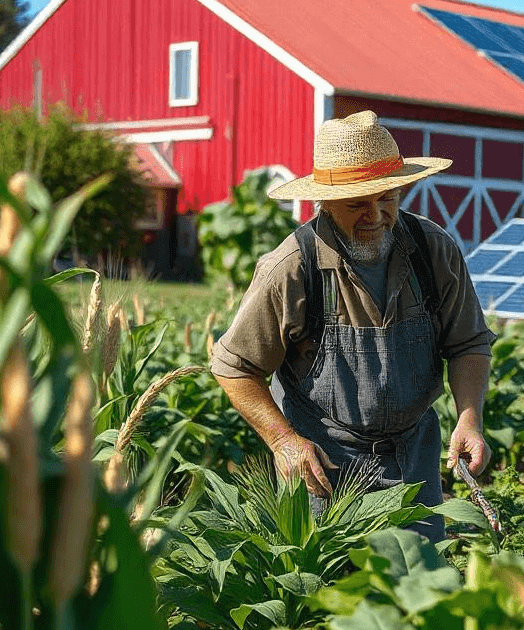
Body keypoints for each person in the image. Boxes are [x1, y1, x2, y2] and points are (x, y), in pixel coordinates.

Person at [210, 110, 495, 541]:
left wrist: (469, 419)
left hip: (414, 462)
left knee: (416, 588)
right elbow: (234, 367)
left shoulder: (432, 251)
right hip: (325, 467)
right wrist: (282, 441)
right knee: (328, 595)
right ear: (324, 203)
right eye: (357, 203)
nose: (376, 215)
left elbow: (468, 342)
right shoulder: (293, 267)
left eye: (387, 199)